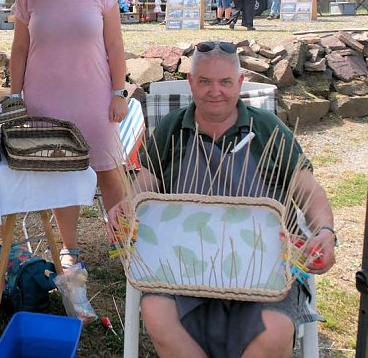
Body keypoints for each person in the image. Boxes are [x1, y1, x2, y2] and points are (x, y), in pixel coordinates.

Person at [107, 41, 336, 358]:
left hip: (263, 265)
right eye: (204, 81)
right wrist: (128, 204)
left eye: (225, 82)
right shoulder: (173, 128)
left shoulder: (269, 129)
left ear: (240, 83)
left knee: (275, 331)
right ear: (191, 82)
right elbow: (147, 181)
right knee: (158, 312)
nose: (215, 91)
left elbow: (308, 190)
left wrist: (324, 233)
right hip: (183, 261)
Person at [10, 0, 128, 269]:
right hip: (45, 99)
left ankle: (125, 243)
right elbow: (18, 49)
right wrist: (16, 96)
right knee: (62, 171)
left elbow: (115, 44)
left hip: (94, 95)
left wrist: (119, 91)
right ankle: (70, 248)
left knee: (108, 169)